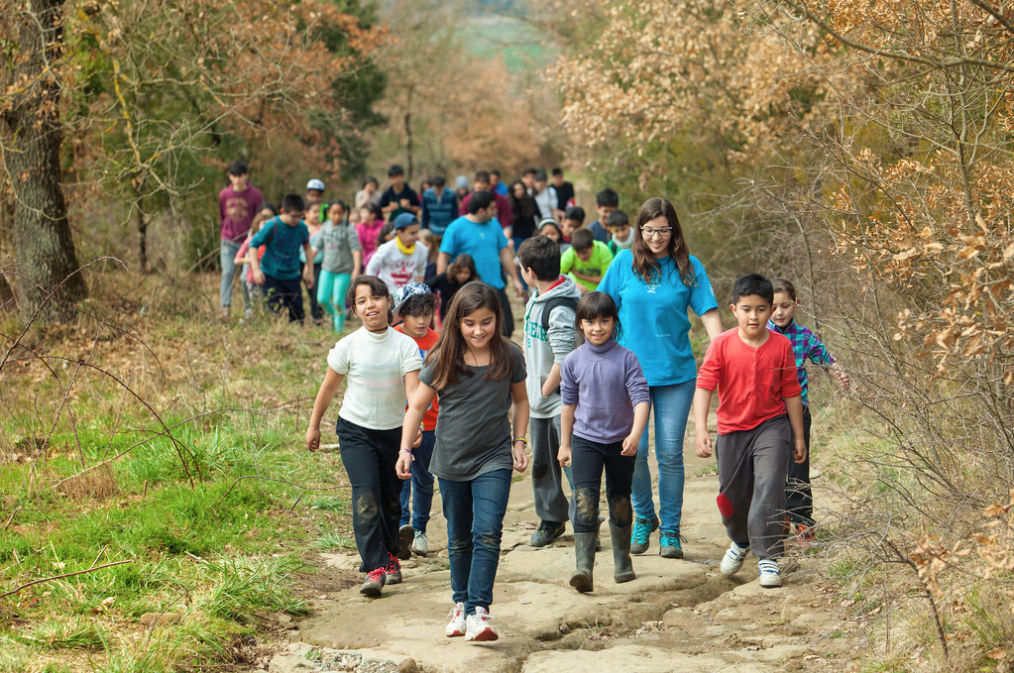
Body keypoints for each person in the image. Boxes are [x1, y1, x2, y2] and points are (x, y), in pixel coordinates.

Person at [397, 282, 529, 642]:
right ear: (457, 322)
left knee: (488, 532)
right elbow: (417, 407)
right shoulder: (443, 358)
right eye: (470, 323)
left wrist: (519, 442)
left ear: (497, 319)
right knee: (458, 539)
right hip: (452, 458)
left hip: (495, 457)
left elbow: (520, 401)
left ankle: (478, 612)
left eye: (486, 321)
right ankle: (460, 604)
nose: (478, 330)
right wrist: (405, 450)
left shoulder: (510, 355)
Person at [597, 197, 723, 558]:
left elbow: (710, 317)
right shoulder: (623, 263)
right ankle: (644, 517)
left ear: (674, 230)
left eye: (663, 230)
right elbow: (598, 311)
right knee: (632, 453)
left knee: (669, 454)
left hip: (675, 375)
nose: (656, 237)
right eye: (649, 230)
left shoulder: (689, 267)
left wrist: (727, 352)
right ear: (640, 230)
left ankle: (670, 529)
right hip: (627, 376)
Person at [306, 275, 423, 597]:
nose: (370, 305)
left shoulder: (405, 345)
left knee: (389, 501)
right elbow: (329, 387)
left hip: (394, 433)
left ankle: (389, 553)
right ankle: (374, 567)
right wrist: (314, 425)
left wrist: (416, 427)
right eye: (361, 300)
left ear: (388, 301)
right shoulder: (348, 346)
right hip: (356, 431)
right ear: (355, 309)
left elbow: (414, 391)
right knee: (366, 497)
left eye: (375, 297)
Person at [694, 274, 807, 589]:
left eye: (760, 309)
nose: (754, 316)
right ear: (734, 310)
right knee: (732, 499)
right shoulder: (722, 344)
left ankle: (768, 555)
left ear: (771, 310)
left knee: (770, 486)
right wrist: (700, 428)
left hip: (772, 427)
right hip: (731, 431)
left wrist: (797, 435)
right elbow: (704, 387)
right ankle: (740, 540)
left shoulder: (781, 346)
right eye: (746, 309)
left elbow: (791, 392)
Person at [557, 292, 650, 592]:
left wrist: (635, 434)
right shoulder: (572, 361)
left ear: (614, 323)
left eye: (604, 321)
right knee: (584, 501)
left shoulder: (626, 358)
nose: (597, 328)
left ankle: (623, 561)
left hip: (621, 442)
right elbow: (568, 405)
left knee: (620, 501)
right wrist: (564, 443)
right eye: (590, 321)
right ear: (580, 325)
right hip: (585, 441)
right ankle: (584, 567)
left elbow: (641, 399)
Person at [767, 278, 850, 546]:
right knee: (772, 470)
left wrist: (839, 373)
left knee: (798, 468)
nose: (779, 312)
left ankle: (803, 523)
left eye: (785, 305)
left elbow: (824, 356)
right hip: (767, 413)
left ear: (795, 305)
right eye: (773, 306)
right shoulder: (760, 335)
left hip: (797, 412)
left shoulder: (803, 336)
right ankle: (779, 519)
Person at [518, 235, 583, 547]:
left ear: (529, 270)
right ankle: (552, 520)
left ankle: (586, 524)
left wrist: (543, 389)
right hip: (538, 403)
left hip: (560, 404)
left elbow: (565, 357)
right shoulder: (536, 296)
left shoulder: (559, 307)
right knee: (543, 465)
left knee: (573, 466)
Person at [392, 284, 441, 558]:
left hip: (432, 423)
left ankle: (419, 530)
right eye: (415, 314)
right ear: (402, 314)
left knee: (424, 478)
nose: (422, 321)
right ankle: (401, 527)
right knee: (401, 477)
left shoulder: (439, 341)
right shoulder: (392, 338)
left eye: (427, 314)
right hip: (397, 423)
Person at [438, 191, 525, 337]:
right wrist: (443, 285)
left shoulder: (494, 225)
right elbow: (443, 256)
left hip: (495, 286)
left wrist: (516, 280)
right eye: (492, 208)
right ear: (481, 210)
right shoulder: (456, 227)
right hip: (469, 289)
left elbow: (504, 253)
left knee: (506, 328)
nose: (495, 211)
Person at [248, 194, 315, 323]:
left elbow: (307, 247)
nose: (297, 219)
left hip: (292, 275)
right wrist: (256, 270)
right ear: (283, 211)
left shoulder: (302, 227)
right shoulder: (272, 225)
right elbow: (253, 245)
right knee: (274, 311)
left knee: (297, 313)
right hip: (271, 274)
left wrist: (310, 271)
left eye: (300, 215)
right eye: (294, 216)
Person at [219, 159, 264, 319]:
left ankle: (249, 310)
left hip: (249, 242)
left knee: (246, 278)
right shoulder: (224, 194)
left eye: (240, 175)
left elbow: (259, 217)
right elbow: (221, 217)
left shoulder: (255, 194)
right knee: (228, 273)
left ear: (246, 175)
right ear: (230, 177)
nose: (237, 179)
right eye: (234, 176)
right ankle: (225, 309)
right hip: (228, 240)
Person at [313, 200, 361, 332]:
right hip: (327, 269)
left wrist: (356, 268)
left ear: (344, 213)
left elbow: (355, 249)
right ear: (328, 213)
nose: (337, 216)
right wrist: (308, 264)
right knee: (322, 298)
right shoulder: (325, 227)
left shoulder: (348, 228)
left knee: (338, 300)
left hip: (344, 271)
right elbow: (316, 246)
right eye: (334, 213)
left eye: (340, 213)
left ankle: (338, 330)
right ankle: (333, 317)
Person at [366, 213, 428, 294]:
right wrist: (377, 291)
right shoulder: (386, 249)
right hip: (388, 295)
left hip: (408, 296)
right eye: (412, 233)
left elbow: (420, 273)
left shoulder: (422, 249)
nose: (417, 236)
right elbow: (370, 269)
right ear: (399, 232)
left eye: (417, 232)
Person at [425, 254, 477, 323]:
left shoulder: (473, 283)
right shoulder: (445, 278)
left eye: (466, 273)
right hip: (446, 315)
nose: (462, 275)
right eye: (460, 272)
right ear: (455, 270)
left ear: (471, 273)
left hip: (465, 316)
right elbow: (426, 286)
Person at [561, 228, 614, 294]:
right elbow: (557, 274)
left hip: (598, 292)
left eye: (584, 252)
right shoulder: (570, 253)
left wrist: (580, 276)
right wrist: (571, 284)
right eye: (577, 253)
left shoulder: (603, 251)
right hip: (575, 289)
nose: (581, 257)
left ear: (592, 246)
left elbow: (606, 279)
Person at [300, 202, 325, 323]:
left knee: (316, 292)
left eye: (318, 212)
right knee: (305, 291)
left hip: (318, 264)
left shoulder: (322, 228)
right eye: (314, 212)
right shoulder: (300, 227)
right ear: (306, 213)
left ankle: (318, 318)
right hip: (300, 263)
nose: (317, 215)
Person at [421, 176, 459, 240]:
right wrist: (424, 229)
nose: (437, 191)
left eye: (439, 189)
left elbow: (455, 213)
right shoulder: (427, 195)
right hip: (433, 230)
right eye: (436, 188)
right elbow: (425, 214)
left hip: (447, 229)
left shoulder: (451, 195)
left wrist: (455, 229)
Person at [508, 179, 540, 251]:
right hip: (517, 236)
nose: (519, 192)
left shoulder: (531, 200)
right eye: (516, 190)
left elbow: (539, 215)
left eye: (520, 189)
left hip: (531, 234)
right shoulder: (509, 203)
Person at [356, 204, 386, 271]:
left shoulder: (382, 225)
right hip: (366, 261)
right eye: (361, 212)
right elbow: (359, 246)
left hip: (381, 259)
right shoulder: (359, 227)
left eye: (364, 212)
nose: (361, 215)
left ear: (372, 215)